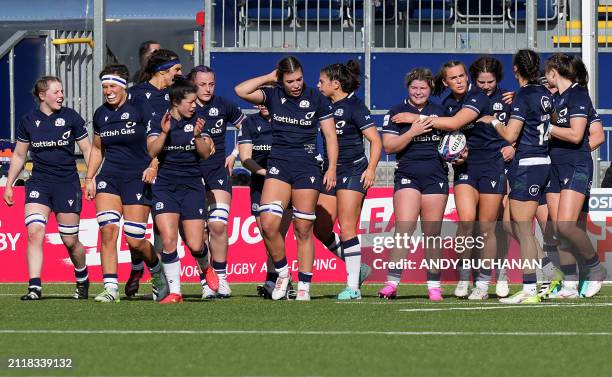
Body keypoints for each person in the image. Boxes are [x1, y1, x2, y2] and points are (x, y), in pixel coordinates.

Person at [390, 60, 511, 300]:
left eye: (462, 76)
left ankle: (484, 284)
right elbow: (448, 138)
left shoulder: (477, 97)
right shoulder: (445, 105)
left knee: (487, 227)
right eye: (453, 78)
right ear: (445, 82)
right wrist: (454, 155)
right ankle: (465, 277)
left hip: (491, 165)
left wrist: (414, 119)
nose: (459, 80)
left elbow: (456, 124)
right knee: (466, 221)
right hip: (465, 167)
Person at [235, 56, 338, 301]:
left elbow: (331, 137)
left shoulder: (317, 99)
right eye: (290, 80)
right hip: (279, 167)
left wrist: (331, 168)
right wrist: (269, 78)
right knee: (268, 224)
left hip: (307, 168)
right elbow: (240, 90)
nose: (296, 84)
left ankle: (304, 286)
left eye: (299, 79)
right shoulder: (273, 95)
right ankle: (282, 273)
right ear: (281, 79)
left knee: (303, 229)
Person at [84, 64, 169, 303]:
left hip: (137, 178)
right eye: (104, 87)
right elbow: (98, 149)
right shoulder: (101, 114)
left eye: (111, 86)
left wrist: (154, 164)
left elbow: (156, 141)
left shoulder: (141, 107)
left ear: (123, 87)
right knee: (108, 231)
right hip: (109, 178)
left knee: (135, 239)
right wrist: (89, 178)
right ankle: (110, 288)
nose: (107, 91)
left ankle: (156, 269)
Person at [3, 76, 92, 300]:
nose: (61, 95)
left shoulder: (71, 117)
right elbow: (20, 155)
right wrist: (10, 184)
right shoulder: (28, 120)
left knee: (70, 241)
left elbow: (89, 150)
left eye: (62, 91)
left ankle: (82, 278)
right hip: (39, 184)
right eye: (56, 92)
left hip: (67, 184)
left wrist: (90, 179)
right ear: (42, 95)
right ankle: (34, 287)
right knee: (34, 232)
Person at [483, 49, 553, 303]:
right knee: (508, 224)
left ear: (515, 70)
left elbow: (510, 135)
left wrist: (493, 121)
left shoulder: (524, 95)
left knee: (523, 228)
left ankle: (530, 288)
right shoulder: (544, 93)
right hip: (542, 161)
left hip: (528, 164)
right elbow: (551, 122)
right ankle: (545, 270)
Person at [379, 68, 449, 301]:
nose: (418, 92)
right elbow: (388, 147)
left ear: (430, 89)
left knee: (432, 234)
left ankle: (434, 286)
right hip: (407, 175)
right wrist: (413, 131)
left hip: (436, 177)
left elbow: (454, 140)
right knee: (404, 230)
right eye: (414, 87)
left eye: (423, 88)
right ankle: (391, 283)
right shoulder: (396, 112)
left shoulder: (441, 111)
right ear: (407, 88)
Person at [314, 60, 382, 300]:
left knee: (347, 227)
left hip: (354, 171)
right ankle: (358, 267)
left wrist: (372, 169)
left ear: (335, 83)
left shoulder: (355, 106)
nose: (318, 85)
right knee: (320, 228)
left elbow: (376, 140)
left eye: (322, 81)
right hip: (331, 172)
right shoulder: (323, 106)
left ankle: (352, 287)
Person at [544, 53, 607, 298]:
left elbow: (576, 135)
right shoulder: (555, 99)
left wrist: (547, 128)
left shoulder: (578, 94)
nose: (544, 76)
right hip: (554, 166)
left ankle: (595, 268)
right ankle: (570, 283)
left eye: (547, 71)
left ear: (554, 72)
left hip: (575, 166)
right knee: (558, 230)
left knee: (567, 225)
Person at [147, 79, 214, 304]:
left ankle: (206, 268)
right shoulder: (159, 120)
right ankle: (175, 292)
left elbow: (205, 154)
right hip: (165, 187)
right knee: (168, 240)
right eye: (190, 102)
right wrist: (164, 134)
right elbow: (152, 151)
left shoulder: (199, 120)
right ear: (176, 102)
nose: (194, 105)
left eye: (195, 101)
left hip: (192, 187)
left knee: (196, 244)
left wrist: (196, 136)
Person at [124, 49, 183, 297]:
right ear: (162, 71)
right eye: (176, 70)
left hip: (170, 168)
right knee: (136, 231)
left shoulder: (176, 94)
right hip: (143, 168)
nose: (180, 74)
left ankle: (161, 285)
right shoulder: (136, 95)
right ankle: (138, 267)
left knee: (162, 228)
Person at [189, 65, 245, 299]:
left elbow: (245, 128)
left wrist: (234, 154)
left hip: (217, 173)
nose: (207, 89)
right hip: (190, 174)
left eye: (211, 84)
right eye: (202, 84)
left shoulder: (223, 105)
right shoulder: (185, 108)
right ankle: (206, 280)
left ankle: (221, 277)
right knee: (199, 233)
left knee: (218, 226)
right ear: (192, 85)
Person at [237, 104, 295, 299]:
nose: (262, 105)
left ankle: (277, 279)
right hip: (260, 184)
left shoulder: (287, 120)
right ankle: (278, 277)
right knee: (266, 233)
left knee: (277, 234)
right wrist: (265, 173)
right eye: (258, 101)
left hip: (285, 183)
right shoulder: (250, 123)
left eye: (266, 100)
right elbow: (245, 158)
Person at [469, 56, 515, 298]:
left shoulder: (508, 99)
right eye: (481, 81)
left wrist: (513, 146)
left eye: (490, 81)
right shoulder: (468, 100)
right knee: (478, 224)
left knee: (501, 224)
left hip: (503, 166)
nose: (486, 86)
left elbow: (524, 127)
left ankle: (503, 272)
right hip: (475, 166)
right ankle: (478, 277)